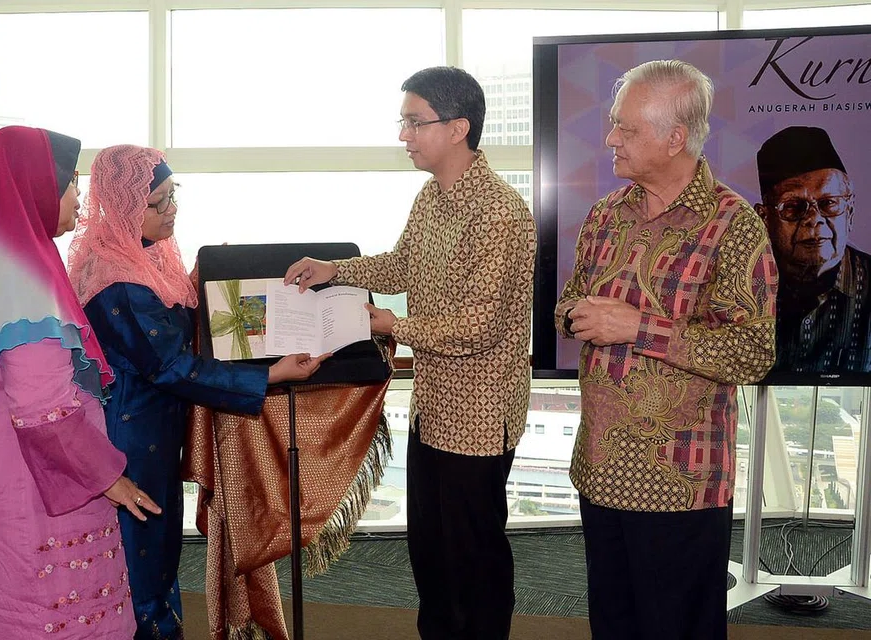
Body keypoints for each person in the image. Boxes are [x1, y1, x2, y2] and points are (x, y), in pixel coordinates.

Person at [284, 66, 535, 640]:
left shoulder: (499, 212)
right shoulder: (432, 197)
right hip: (433, 407)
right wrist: (335, 270)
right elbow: (401, 266)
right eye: (403, 121)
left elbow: (479, 325)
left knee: (473, 556)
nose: (403, 135)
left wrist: (390, 321)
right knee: (430, 549)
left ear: (458, 128)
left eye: (413, 122)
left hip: (477, 414)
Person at [555, 60, 777, 640]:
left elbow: (753, 352)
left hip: (680, 482)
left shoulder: (734, 226)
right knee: (614, 625)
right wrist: (579, 315)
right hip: (601, 470)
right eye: (611, 125)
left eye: (625, 130)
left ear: (675, 138)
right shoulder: (607, 213)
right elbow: (569, 304)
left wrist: (637, 327)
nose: (609, 139)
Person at [0, 126, 161, 638]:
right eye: (67, 183)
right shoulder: (23, 278)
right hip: (29, 509)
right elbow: (43, 409)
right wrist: (109, 478)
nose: (76, 199)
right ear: (31, 185)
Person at [67, 144, 325, 639]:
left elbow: (169, 321)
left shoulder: (142, 252)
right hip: (129, 440)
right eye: (158, 202)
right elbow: (169, 365)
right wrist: (268, 377)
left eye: (173, 196)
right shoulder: (114, 279)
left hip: (155, 431)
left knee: (159, 551)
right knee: (139, 560)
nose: (172, 211)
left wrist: (202, 282)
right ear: (124, 207)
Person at [754, 125, 871, 373]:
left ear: (849, 212)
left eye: (829, 204)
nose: (814, 219)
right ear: (764, 218)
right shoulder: (745, 287)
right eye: (793, 206)